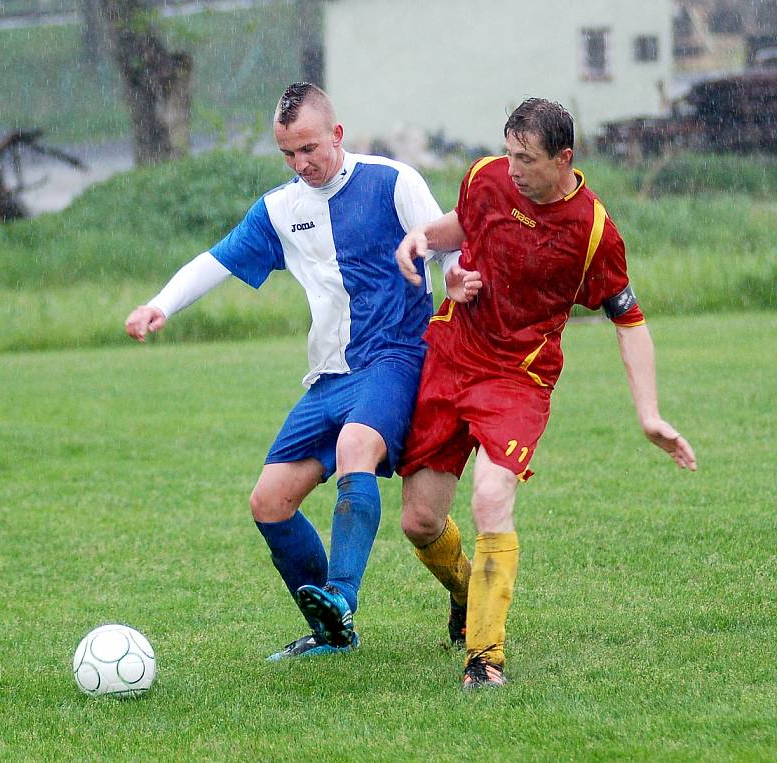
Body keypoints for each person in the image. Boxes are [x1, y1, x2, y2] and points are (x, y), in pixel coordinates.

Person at [125, 82, 456, 660]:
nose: (301, 164)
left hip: (395, 359)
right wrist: (160, 304)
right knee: (269, 502)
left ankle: (342, 599)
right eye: (288, 154)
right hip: (327, 376)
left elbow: (446, 243)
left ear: (337, 134)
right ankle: (332, 633)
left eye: (309, 149)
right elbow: (217, 259)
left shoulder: (393, 181)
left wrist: (456, 278)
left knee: (359, 447)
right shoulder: (281, 209)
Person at [394, 97, 697, 690]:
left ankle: (484, 660)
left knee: (489, 496)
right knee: (419, 520)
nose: (512, 169)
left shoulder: (594, 231)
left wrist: (650, 414)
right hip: (453, 354)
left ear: (564, 159)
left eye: (526, 159)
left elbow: (630, 321)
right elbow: (463, 223)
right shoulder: (486, 177)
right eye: (508, 153)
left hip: (519, 378)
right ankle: (465, 593)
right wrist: (422, 241)